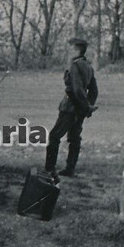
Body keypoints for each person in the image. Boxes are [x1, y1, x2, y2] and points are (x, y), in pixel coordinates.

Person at [45, 37, 98, 180]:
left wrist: (86, 106)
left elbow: (76, 89)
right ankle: (70, 169)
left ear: (76, 51)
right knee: (74, 138)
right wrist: (88, 106)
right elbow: (94, 90)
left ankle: (49, 170)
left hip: (70, 107)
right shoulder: (88, 66)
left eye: (70, 49)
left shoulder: (74, 66)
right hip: (80, 109)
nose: (68, 52)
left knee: (54, 136)